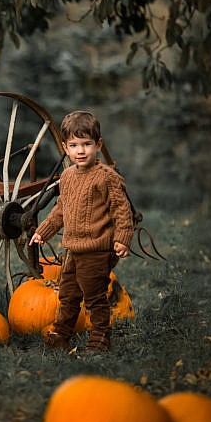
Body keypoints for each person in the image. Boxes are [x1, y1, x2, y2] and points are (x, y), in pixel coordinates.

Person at [29, 110, 134, 353]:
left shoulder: (107, 177)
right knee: (68, 294)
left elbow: (121, 209)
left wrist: (122, 239)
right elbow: (61, 209)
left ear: (98, 144)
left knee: (95, 297)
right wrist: (43, 231)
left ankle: (100, 338)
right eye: (74, 145)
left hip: (97, 249)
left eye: (87, 144)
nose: (81, 151)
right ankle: (61, 333)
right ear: (65, 148)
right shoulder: (66, 177)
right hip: (73, 250)